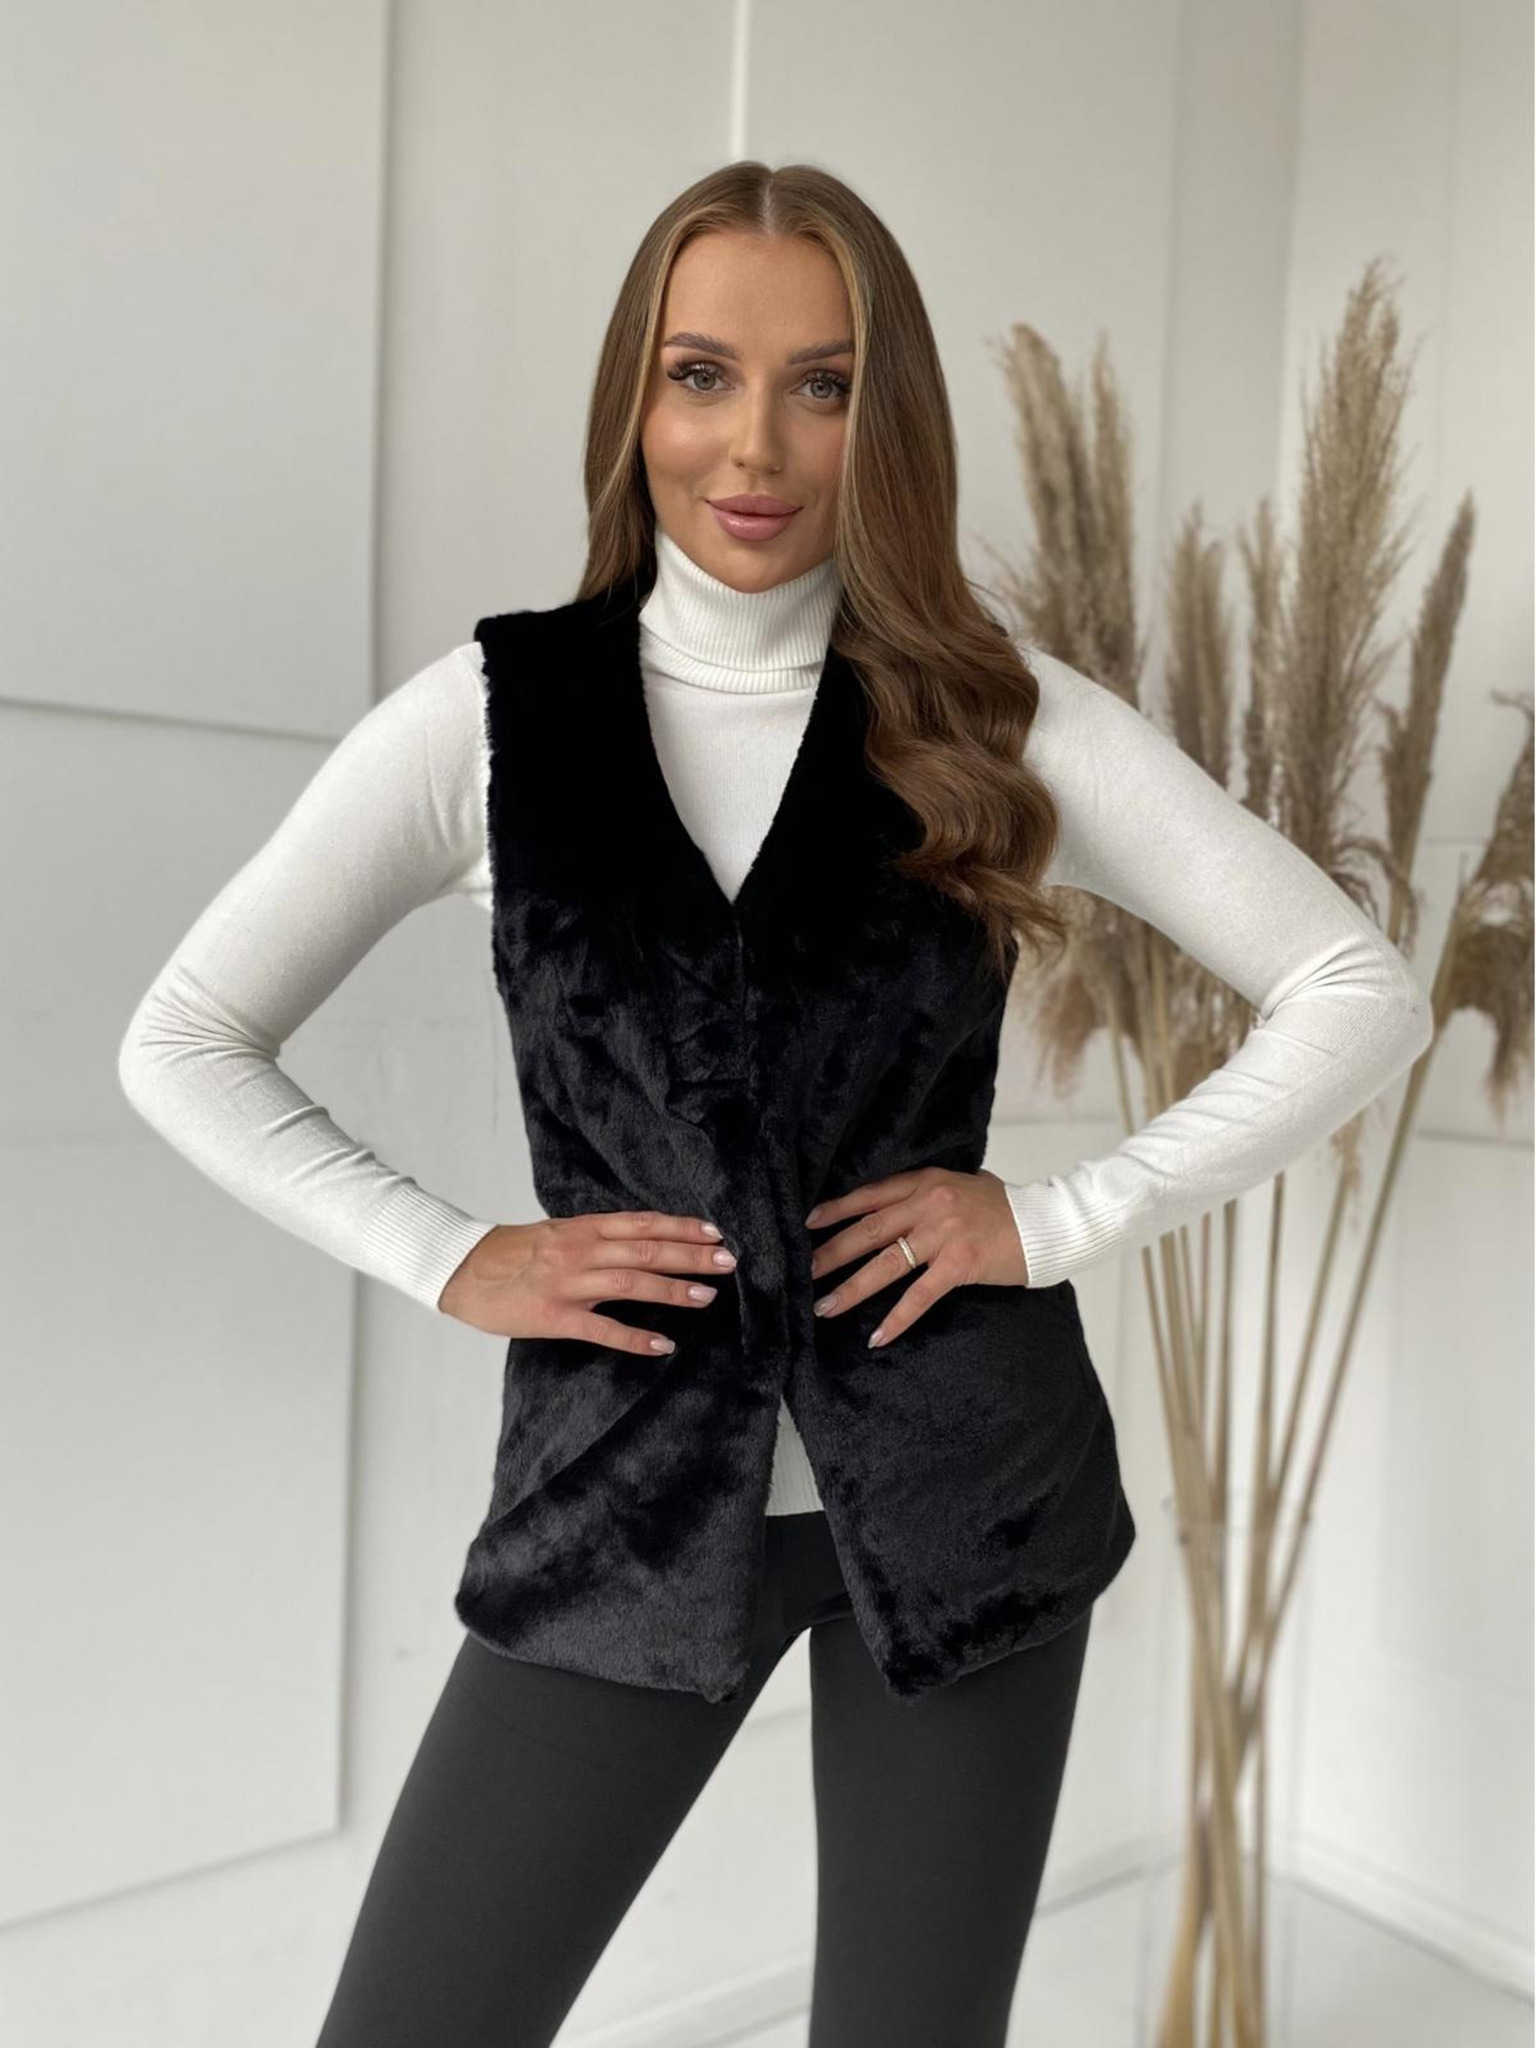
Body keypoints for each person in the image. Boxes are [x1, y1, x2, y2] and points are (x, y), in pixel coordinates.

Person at [117, 162, 1431, 2048]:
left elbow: (1357, 989)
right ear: (633, 401)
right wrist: (451, 1256)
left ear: (886, 424)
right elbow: (183, 1037)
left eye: (823, 384)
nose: (756, 446)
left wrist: (1056, 1216)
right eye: (701, 375)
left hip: (974, 1498)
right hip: (625, 1500)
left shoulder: (1000, 717)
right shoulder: (488, 722)